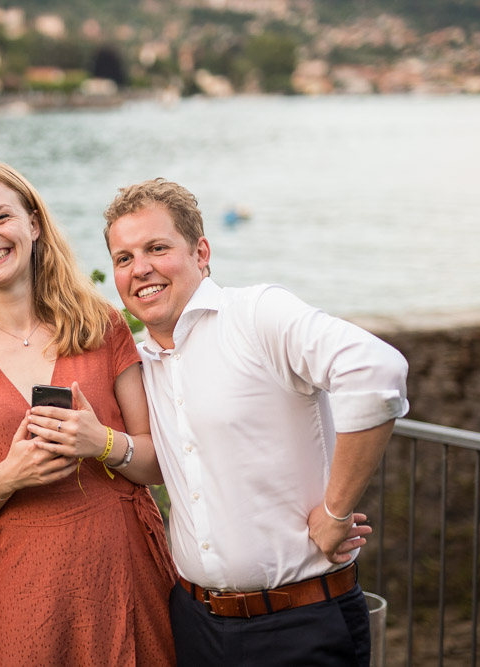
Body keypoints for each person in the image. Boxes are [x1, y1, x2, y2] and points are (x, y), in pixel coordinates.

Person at [103, 178, 410, 666]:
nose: (141, 268)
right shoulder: (140, 367)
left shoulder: (257, 314)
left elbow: (378, 372)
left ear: (201, 251)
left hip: (299, 625)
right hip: (193, 623)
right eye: (123, 258)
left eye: (157, 248)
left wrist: (334, 513)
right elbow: (156, 461)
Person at [0, 161, 177, 666]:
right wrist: (7, 476)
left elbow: (156, 461)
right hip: (29, 576)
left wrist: (102, 442)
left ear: (34, 223)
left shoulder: (100, 323)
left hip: (124, 561)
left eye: (1, 217)